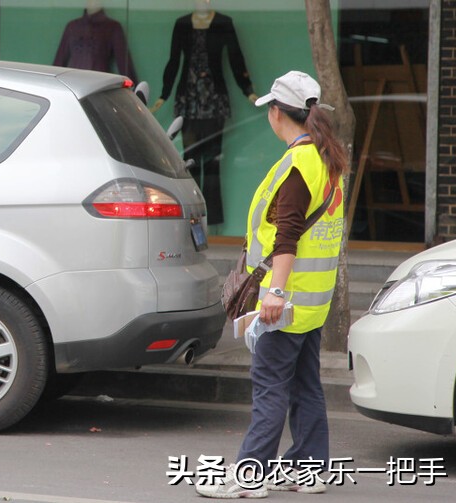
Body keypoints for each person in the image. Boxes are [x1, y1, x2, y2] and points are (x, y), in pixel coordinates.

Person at [196, 71, 347, 498]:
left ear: (277, 113)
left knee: (270, 388)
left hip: (288, 300)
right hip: (312, 302)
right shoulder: (325, 159)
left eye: (270, 110)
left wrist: (275, 293)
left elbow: (287, 236)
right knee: (304, 386)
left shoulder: (299, 164)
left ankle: (249, 477)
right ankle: (309, 469)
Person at [153, 0, 256, 228]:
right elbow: (174, 61)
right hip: (188, 100)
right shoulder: (181, 24)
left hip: (214, 101)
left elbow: (236, 58)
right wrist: (164, 95)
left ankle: (211, 221)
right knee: (188, 160)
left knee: (212, 162)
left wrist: (248, 91)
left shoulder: (223, 23)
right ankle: (188, 217)